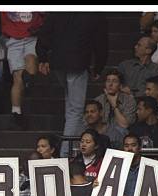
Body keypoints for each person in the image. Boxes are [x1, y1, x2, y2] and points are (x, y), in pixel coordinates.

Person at [36, 13, 108, 154]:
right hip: (78, 63)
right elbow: (101, 41)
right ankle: (65, 153)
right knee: (74, 110)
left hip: (58, 62)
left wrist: (43, 56)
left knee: (71, 106)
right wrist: (99, 66)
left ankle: (75, 148)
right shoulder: (94, 14)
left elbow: (44, 33)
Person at [94, 69, 137, 140]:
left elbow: (124, 125)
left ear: (120, 85)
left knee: (121, 131)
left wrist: (114, 105)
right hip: (101, 135)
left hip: (121, 137)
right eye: (108, 81)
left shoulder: (129, 100)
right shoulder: (98, 100)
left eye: (114, 81)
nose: (110, 84)